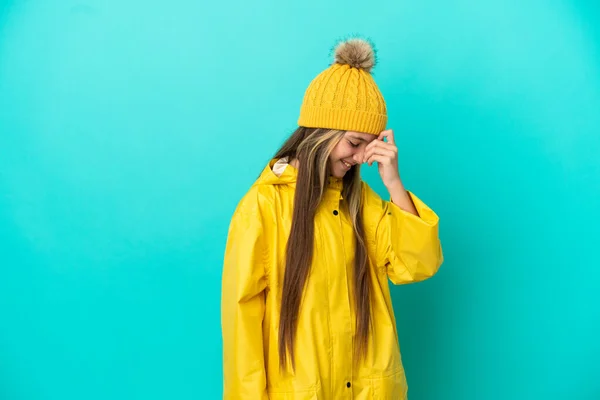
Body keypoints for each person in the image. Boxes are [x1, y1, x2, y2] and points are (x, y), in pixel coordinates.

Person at [221, 37, 444, 400]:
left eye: (368, 146)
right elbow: (241, 327)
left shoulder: (361, 203)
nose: (359, 158)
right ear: (321, 133)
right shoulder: (262, 208)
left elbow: (416, 266)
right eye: (354, 143)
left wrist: (393, 183)